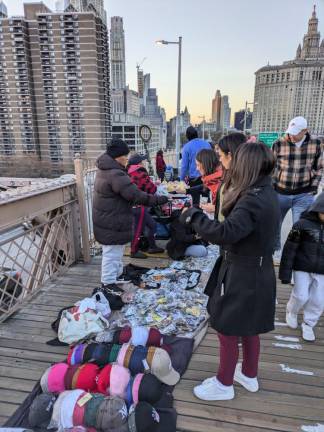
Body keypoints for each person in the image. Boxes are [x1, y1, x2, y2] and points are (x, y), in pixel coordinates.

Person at [180, 143, 280, 401]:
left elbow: (226, 233)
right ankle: (248, 374)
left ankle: (223, 384)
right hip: (259, 268)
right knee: (249, 326)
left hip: (243, 271)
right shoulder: (266, 190)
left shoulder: (252, 200)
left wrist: (193, 216)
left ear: (246, 165)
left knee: (227, 327)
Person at [92, 139, 168, 290]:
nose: (127, 159)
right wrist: (160, 200)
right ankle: (108, 284)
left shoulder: (106, 169)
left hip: (109, 219)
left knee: (115, 252)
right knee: (112, 254)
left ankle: (117, 277)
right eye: (125, 156)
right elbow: (135, 195)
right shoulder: (115, 173)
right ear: (117, 156)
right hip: (112, 222)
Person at [272, 116, 323, 263]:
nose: (291, 135)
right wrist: (271, 188)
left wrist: (313, 188)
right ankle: (276, 252)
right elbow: (270, 167)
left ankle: (296, 258)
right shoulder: (279, 144)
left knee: (300, 228)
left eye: (295, 132)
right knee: (275, 224)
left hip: (304, 194)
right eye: (290, 132)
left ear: (305, 131)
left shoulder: (316, 144)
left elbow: (319, 167)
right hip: (280, 193)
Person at [279, 192, 324, 342]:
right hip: (302, 267)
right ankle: (291, 311)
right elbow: (289, 249)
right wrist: (285, 273)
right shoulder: (301, 225)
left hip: (322, 271)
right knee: (301, 295)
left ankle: (309, 324)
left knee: (318, 300)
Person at [201, 133, 246, 220]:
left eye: (221, 155)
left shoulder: (240, 182)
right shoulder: (230, 175)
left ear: (229, 156)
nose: (220, 159)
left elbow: (234, 216)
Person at [128, 153, 164, 259]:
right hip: (139, 204)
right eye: (142, 161)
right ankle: (133, 251)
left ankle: (152, 246)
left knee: (152, 224)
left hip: (132, 203)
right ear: (139, 163)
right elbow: (150, 189)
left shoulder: (127, 171)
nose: (143, 163)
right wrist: (155, 186)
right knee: (138, 229)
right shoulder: (140, 171)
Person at [180, 126, 211, 205]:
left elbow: (184, 166)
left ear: (187, 136)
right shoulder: (207, 144)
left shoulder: (186, 147)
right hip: (208, 177)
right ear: (197, 134)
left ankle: (196, 214)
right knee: (206, 200)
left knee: (195, 201)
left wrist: (181, 180)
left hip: (194, 180)